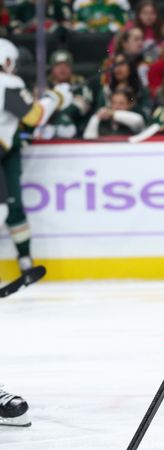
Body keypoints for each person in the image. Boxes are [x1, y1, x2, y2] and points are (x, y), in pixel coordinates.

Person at [0, 38, 72, 289]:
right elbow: (33, 117)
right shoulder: (7, 82)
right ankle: (24, 259)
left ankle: (25, 259)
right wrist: (56, 96)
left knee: (5, 208)